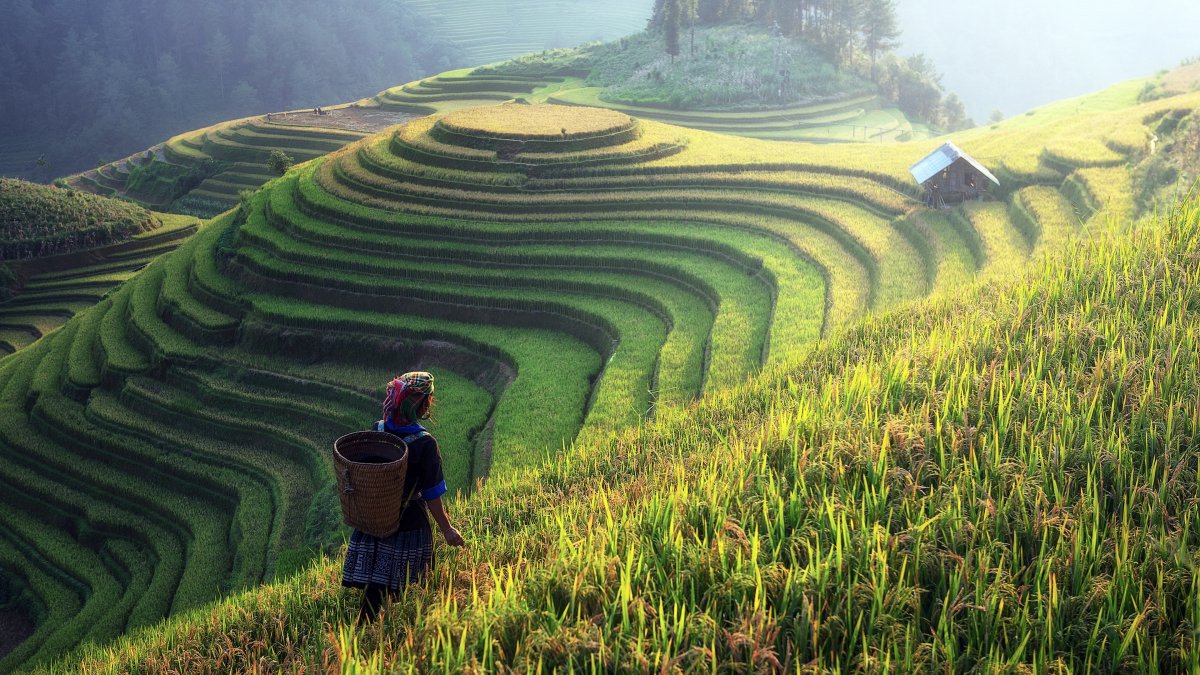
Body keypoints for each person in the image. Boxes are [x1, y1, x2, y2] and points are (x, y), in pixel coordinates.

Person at [341, 371, 465, 623]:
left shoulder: (378, 430)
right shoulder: (424, 443)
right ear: (423, 403)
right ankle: (394, 635)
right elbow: (432, 495)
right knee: (407, 588)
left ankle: (364, 633)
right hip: (408, 523)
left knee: (375, 588)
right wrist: (447, 529)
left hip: (376, 519)